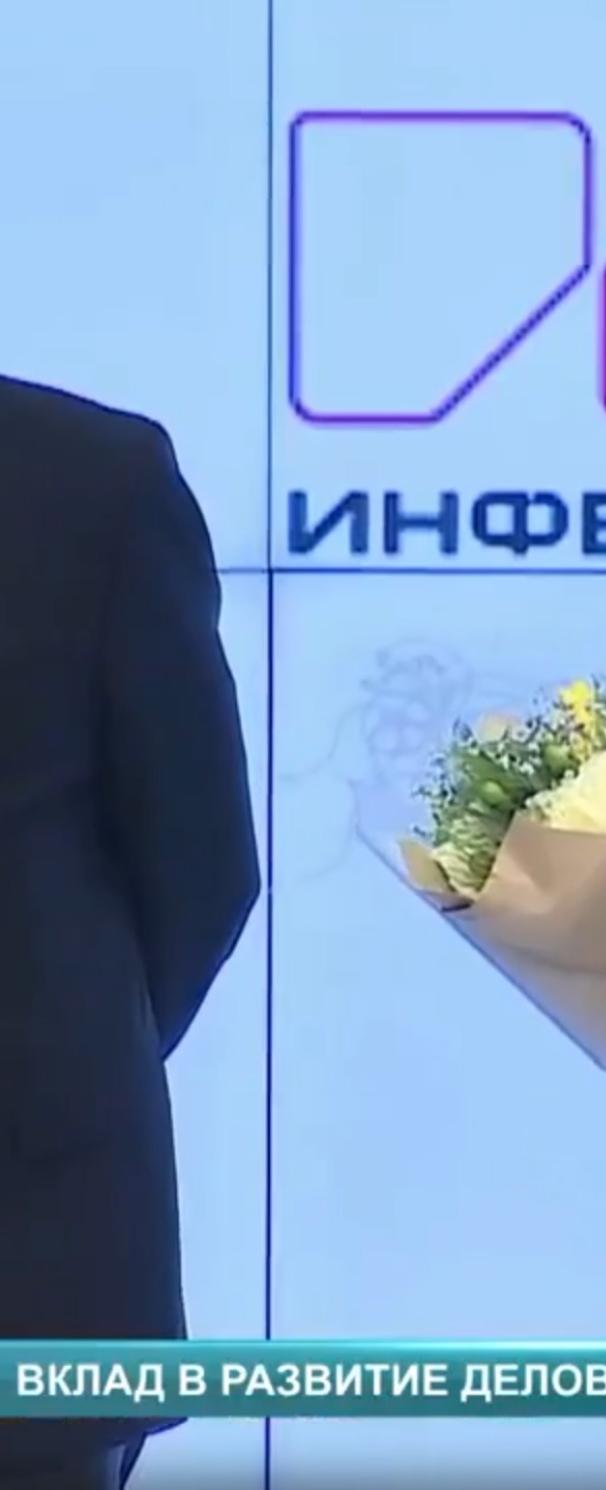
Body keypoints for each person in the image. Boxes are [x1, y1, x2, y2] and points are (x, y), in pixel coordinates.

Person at [0, 374, 260, 1489]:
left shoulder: (94, 476)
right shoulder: (96, 470)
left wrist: (64, 1044)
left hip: (33, 1257)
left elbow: (201, 862)